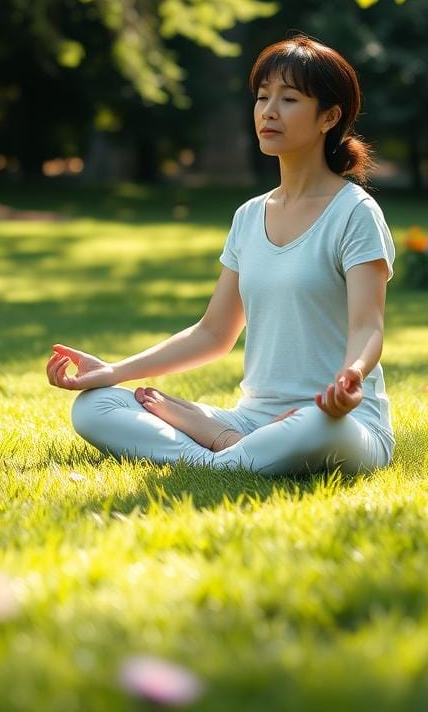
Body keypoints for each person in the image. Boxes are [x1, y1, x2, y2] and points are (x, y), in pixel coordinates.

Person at [45, 34, 396, 476]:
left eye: (288, 99)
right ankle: (234, 451)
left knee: (314, 426)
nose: (269, 111)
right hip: (252, 418)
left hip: (338, 421)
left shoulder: (355, 213)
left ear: (329, 116)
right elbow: (213, 333)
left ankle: (221, 451)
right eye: (262, 97)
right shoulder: (249, 216)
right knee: (95, 407)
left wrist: (352, 378)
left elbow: (368, 326)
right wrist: (113, 372)